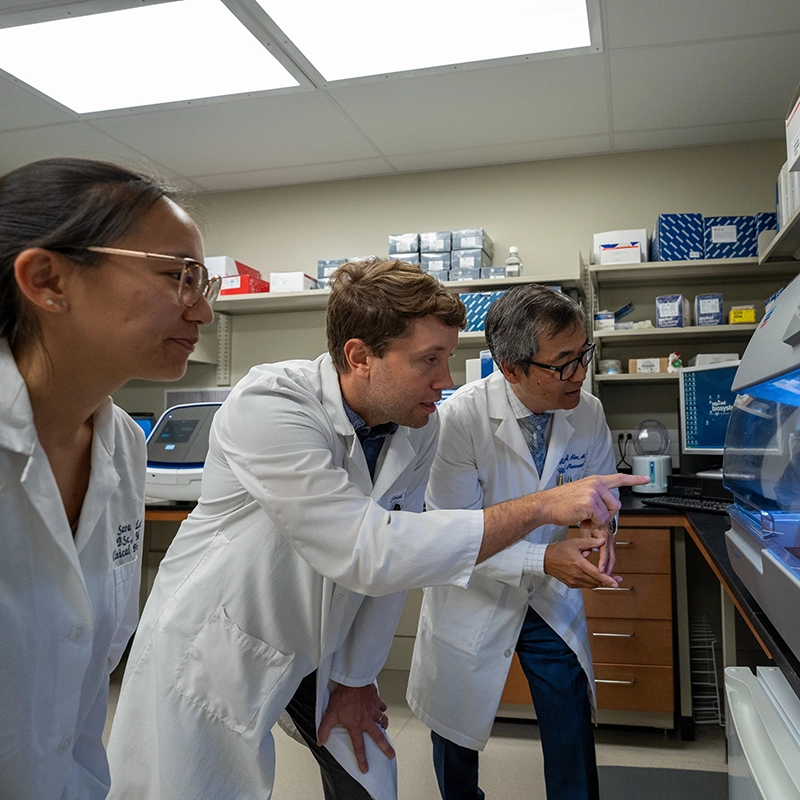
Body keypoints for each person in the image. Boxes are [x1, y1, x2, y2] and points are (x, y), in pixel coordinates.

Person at [107, 259, 643, 800]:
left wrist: (357, 678)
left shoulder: (417, 426)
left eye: (448, 357)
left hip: (323, 648)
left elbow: (396, 567)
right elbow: (369, 550)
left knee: (369, 782)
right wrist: (542, 507)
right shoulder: (272, 403)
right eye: (429, 360)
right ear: (360, 356)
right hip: (220, 642)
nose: (446, 381)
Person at [0, 157, 218, 800]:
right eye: (179, 277)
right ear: (48, 280)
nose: (203, 312)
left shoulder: (121, 446)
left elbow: (80, 676)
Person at [407, 283, 617, 800]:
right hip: (474, 592)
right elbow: (453, 535)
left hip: (548, 599)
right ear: (512, 368)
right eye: (564, 363)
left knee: (569, 722)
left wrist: (601, 528)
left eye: (584, 354)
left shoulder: (587, 411)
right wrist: (543, 558)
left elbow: (603, 491)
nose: (580, 373)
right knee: (456, 730)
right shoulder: (459, 419)